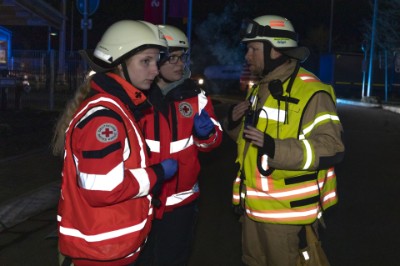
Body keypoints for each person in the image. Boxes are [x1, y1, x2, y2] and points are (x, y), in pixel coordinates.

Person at [51, 20, 178, 266]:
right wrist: (157, 173)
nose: (155, 70)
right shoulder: (104, 119)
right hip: (102, 253)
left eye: (156, 61)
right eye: (146, 61)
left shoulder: (119, 107)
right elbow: (104, 189)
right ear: (119, 64)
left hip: (111, 246)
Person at [224, 15, 345, 266]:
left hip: (287, 216)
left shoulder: (313, 91)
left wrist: (275, 148)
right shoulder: (260, 88)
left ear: (275, 50)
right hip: (252, 210)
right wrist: (234, 124)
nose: (247, 56)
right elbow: (250, 142)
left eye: (253, 49)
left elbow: (332, 148)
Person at [135, 25, 223, 266]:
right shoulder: (135, 97)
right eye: (171, 58)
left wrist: (207, 136)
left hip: (180, 206)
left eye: (182, 57)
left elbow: (213, 143)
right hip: (140, 200)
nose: (179, 64)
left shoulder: (196, 96)